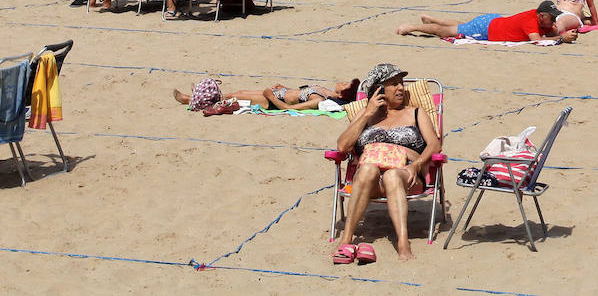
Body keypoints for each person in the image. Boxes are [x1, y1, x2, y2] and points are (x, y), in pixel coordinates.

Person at [332, 64, 442, 263]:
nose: (400, 88)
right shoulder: (366, 115)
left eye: (401, 83)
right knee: (367, 169)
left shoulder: (415, 113)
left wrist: (415, 165)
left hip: (406, 177)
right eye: (393, 84)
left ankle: (403, 244)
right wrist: (367, 113)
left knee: (392, 175)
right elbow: (342, 146)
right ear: (378, 90)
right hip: (369, 182)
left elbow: (434, 145)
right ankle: (346, 239)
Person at [397, 1, 574, 43]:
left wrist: (555, 30)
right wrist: (561, 38)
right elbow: (537, 40)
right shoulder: (530, 22)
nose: (553, 20)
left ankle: (432, 19)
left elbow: (549, 31)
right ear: (541, 16)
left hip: (493, 21)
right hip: (487, 29)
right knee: (447, 32)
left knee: (461, 24)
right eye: (551, 17)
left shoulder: (538, 18)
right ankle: (412, 27)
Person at [173, 77, 359, 112]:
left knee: (234, 97)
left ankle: (191, 101)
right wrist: (284, 87)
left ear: (342, 95)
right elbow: (298, 93)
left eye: (345, 84)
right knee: (237, 92)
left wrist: (270, 96)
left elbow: (289, 108)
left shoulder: (318, 99)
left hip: (272, 101)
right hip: (279, 92)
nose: (342, 82)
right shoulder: (325, 91)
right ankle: (196, 97)